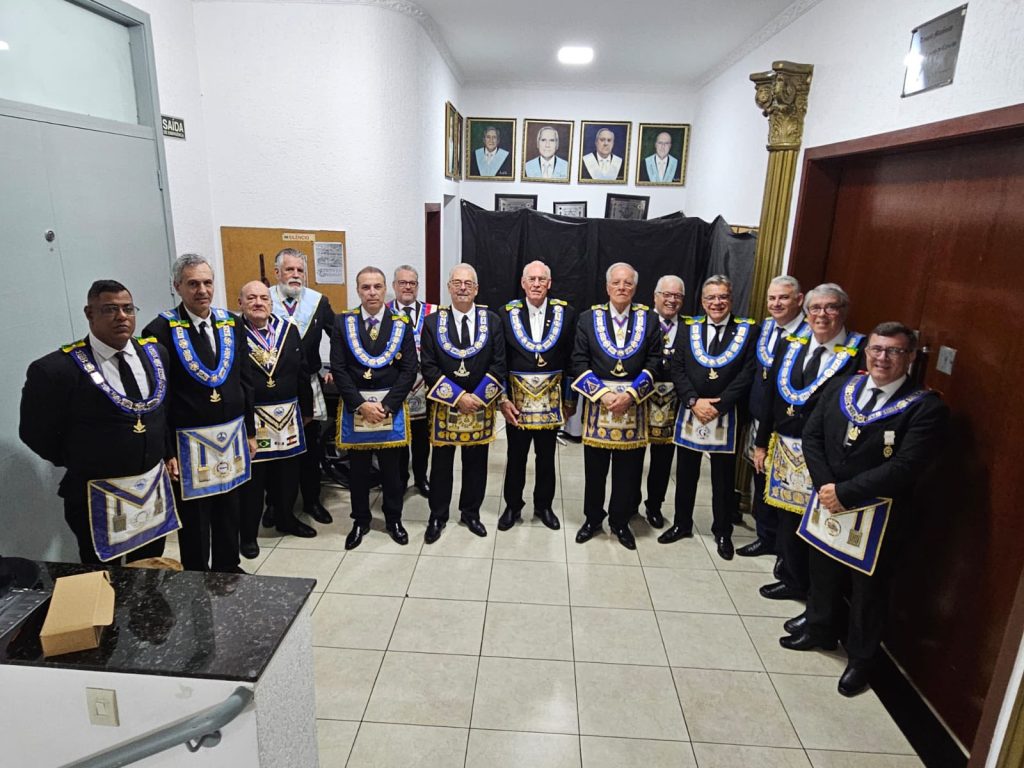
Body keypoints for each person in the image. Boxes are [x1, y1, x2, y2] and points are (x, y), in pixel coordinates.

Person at [788, 322, 948, 697]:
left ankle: (860, 659)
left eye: (894, 351)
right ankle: (819, 627)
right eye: (877, 349)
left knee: (868, 592)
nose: (882, 358)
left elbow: (906, 466)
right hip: (827, 498)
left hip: (878, 513)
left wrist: (845, 492)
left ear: (910, 357)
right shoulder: (842, 387)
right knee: (822, 567)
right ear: (867, 351)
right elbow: (812, 435)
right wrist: (826, 486)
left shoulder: (925, 408)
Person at [20, 280, 177, 564]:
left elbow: (159, 412)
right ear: (89, 313)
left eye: (128, 308)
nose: (122, 317)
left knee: (150, 567)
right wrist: (83, 459)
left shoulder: (155, 354)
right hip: (97, 493)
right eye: (110, 309)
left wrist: (164, 452)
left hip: (149, 489)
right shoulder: (57, 369)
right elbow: (35, 433)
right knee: (102, 576)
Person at [142, 254, 255, 573]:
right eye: (193, 284)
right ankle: (196, 574)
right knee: (195, 517)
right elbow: (158, 398)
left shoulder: (231, 323)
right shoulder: (159, 330)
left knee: (230, 506)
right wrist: (167, 451)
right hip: (188, 443)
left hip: (231, 436)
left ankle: (228, 567)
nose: (202, 290)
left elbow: (245, 379)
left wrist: (250, 431)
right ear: (177, 286)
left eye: (207, 282)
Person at [755, 283, 863, 601]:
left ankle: (819, 596)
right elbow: (771, 397)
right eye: (815, 308)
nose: (822, 314)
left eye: (831, 307)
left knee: (820, 522)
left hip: (827, 453)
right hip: (786, 446)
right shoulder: (791, 345)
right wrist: (761, 442)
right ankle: (792, 578)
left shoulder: (857, 351)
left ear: (844, 311)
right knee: (787, 516)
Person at [661, 275, 757, 560]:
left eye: (722, 297)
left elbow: (747, 373)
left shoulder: (747, 331)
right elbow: (677, 369)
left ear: (731, 299)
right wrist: (693, 401)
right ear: (702, 302)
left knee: (723, 479)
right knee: (685, 473)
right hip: (692, 410)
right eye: (711, 298)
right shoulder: (688, 328)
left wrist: (720, 404)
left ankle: (723, 531)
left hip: (726, 414)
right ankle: (682, 523)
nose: (717, 303)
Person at [571, 263, 661, 550]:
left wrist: (631, 395)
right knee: (594, 471)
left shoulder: (649, 319)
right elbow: (578, 361)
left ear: (635, 288)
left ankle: (620, 522)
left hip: (633, 407)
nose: (622, 287)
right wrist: (603, 395)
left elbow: (655, 362)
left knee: (628, 473)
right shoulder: (588, 318)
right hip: (599, 407)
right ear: (607, 286)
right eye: (617, 282)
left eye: (628, 283)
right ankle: (592, 519)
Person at [331, 267, 418, 549]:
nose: (372, 292)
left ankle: (394, 519)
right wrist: (361, 405)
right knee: (358, 471)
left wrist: (388, 405)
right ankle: (360, 520)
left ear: (385, 289)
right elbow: (339, 368)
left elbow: (409, 369)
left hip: (389, 407)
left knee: (393, 472)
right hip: (357, 408)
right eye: (366, 287)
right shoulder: (343, 322)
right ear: (358, 290)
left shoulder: (401, 323)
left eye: (377, 287)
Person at [420, 264, 506, 543]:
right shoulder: (432, 323)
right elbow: (428, 366)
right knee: (441, 465)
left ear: (476, 289)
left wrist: (476, 398)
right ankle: (437, 515)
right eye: (457, 283)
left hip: (480, 404)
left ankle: (471, 513)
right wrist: (458, 397)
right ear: (449, 288)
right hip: (445, 406)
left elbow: (499, 364)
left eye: (468, 283)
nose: (462, 288)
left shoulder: (492, 320)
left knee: (476, 464)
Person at [237, 280, 317, 559]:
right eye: (251, 298)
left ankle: (286, 518)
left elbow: (302, 371)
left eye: (263, 298)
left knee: (288, 475)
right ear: (240, 303)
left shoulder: (288, 329)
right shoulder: (233, 332)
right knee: (253, 482)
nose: (258, 303)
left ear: (271, 303)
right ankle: (248, 535)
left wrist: (307, 408)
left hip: (288, 417)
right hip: (253, 419)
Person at [498, 260, 577, 531]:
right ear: (523, 283)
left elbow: (571, 359)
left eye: (541, 279)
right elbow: (500, 360)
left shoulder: (566, 313)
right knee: (516, 457)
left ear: (549, 283)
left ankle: (544, 506)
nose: (536, 284)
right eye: (531, 279)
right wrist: (503, 399)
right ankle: (512, 506)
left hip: (551, 403)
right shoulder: (506, 313)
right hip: (517, 404)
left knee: (546, 458)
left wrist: (569, 399)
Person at [736, 276, 806, 558]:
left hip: (788, 425)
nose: (776, 303)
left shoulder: (808, 334)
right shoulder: (764, 327)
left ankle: (785, 551)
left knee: (788, 489)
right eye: (772, 298)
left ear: (799, 300)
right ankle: (765, 537)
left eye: (784, 298)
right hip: (758, 418)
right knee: (761, 477)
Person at [270, 248, 334, 526]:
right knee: (274, 451)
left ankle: (312, 501)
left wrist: (334, 369)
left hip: (309, 384)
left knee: (311, 449)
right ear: (277, 273)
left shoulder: (318, 301)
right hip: (273, 389)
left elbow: (338, 335)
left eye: (300, 270)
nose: (295, 275)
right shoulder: (264, 299)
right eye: (289, 269)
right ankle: (274, 505)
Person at [638, 276, 685, 529]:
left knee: (663, 460)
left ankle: (654, 505)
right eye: (666, 294)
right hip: (641, 398)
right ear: (655, 296)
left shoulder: (689, 327)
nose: (671, 300)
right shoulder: (640, 321)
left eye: (677, 296)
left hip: (672, 404)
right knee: (633, 458)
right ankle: (629, 502)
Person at [388, 264, 438, 497]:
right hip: (396, 383)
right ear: (394, 286)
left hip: (425, 384)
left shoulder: (434, 312)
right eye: (402, 283)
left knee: (421, 436)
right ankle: (400, 479)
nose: (407, 287)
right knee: (398, 435)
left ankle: (421, 477)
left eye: (412, 283)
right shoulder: (385, 312)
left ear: (418, 286)